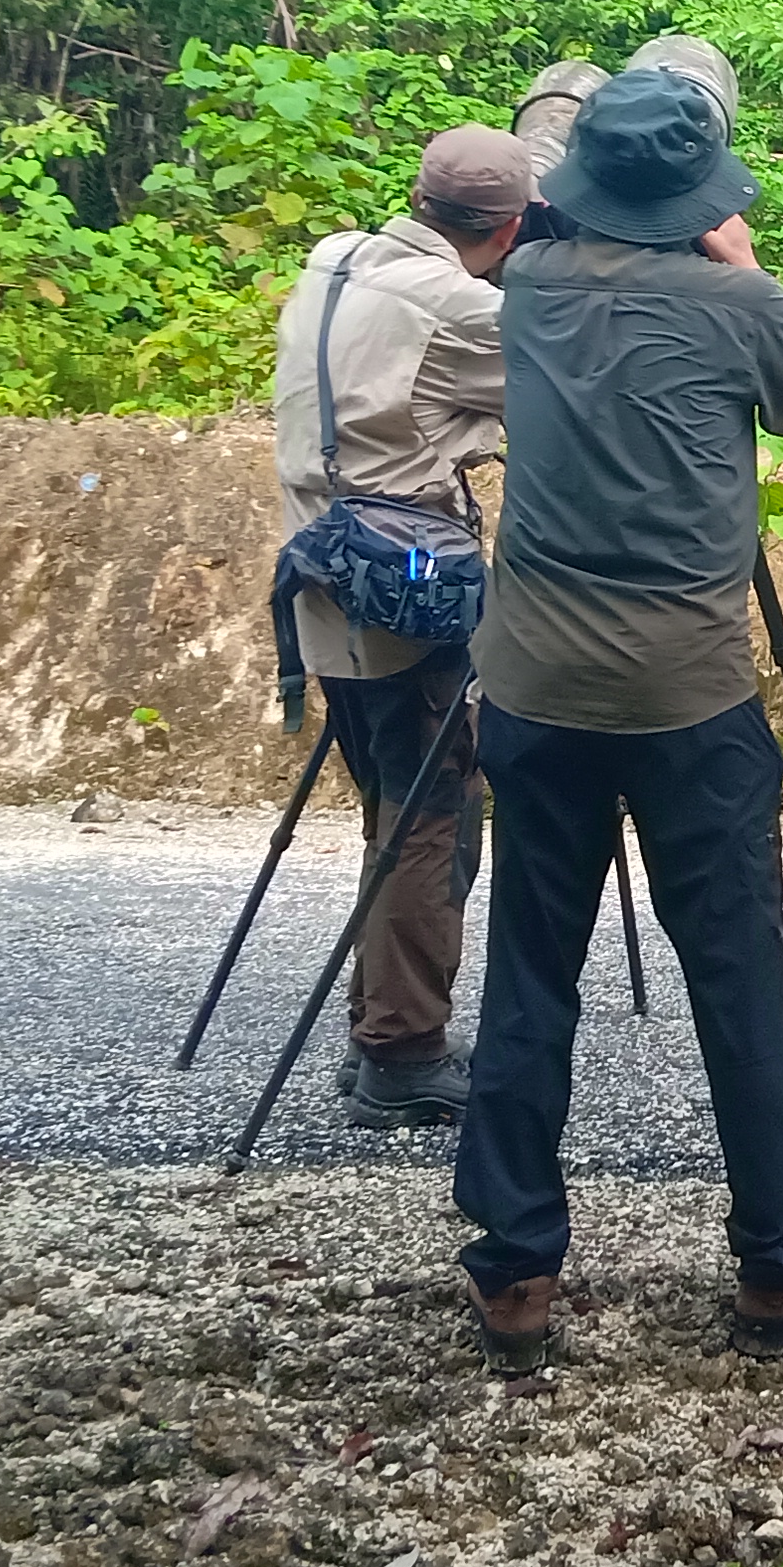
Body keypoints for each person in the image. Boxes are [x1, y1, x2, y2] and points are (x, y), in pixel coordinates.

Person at [454, 57, 783, 1363]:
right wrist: (745, 263)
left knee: (529, 967)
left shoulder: (528, 288)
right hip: (688, 692)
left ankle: (515, 1267)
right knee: (735, 972)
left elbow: (523, 238)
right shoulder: (736, 305)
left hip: (534, 684)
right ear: (703, 195)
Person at [273, 124, 536, 1129]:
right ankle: (401, 1049)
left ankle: (379, 1021)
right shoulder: (462, 309)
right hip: (404, 589)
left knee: (391, 798)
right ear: (509, 228)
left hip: (321, 573)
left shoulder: (335, 259)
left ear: (420, 199)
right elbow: (561, 383)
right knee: (433, 810)